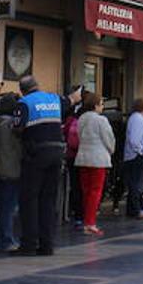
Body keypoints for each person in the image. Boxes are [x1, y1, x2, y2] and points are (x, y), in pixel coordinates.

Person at [15, 75, 64, 256]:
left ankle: (28, 245)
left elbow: (18, 128)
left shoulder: (24, 103)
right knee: (48, 201)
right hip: (57, 153)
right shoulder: (54, 99)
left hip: (36, 154)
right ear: (37, 85)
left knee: (29, 200)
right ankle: (47, 245)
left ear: (23, 90)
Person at [74, 92, 115, 235]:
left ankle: (86, 220)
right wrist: (111, 150)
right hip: (98, 159)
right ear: (96, 105)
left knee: (86, 191)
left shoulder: (81, 119)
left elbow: (78, 135)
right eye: (101, 104)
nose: (102, 107)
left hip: (83, 157)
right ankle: (90, 223)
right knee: (95, 191)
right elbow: (108, 139)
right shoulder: (101, 120)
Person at [0, 90, 23, 252]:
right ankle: (6, 240)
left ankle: (5, 238)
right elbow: (19, 147)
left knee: (4, 207)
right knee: (8, 208)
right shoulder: (12, 125)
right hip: (13, 169)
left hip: (0, 169)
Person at [63, 85, 84, 229]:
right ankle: (80, 215)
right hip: (79, 156)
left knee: (75, 186)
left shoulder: (69, 119)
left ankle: (74, 213)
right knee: (81, 187)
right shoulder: (77, 121)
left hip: (71, 156)